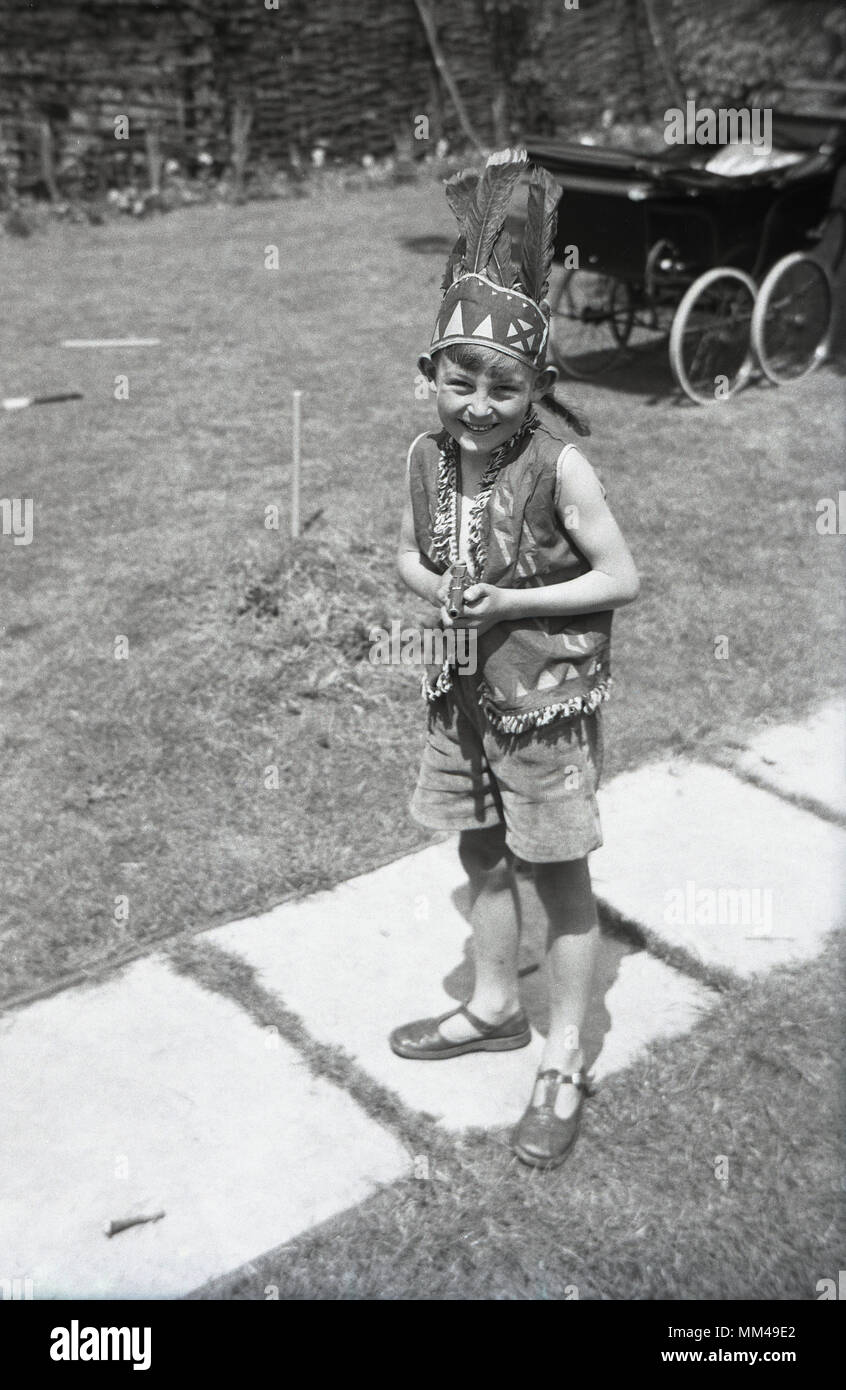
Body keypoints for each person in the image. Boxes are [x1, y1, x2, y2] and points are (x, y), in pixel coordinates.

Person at [389, 148, 639, 1169]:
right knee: (481, 851)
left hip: (542, 703)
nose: (480, 401)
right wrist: (431, 585)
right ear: (431, 376)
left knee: (559, 873)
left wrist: (518, 598)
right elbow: (409, 553)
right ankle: (494, 1003)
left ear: (539, 382)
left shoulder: (560, 465)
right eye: (461, 379)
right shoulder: (422, 460)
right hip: (458, 696)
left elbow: (619, 576)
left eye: (504, 383)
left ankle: (566, 1056)